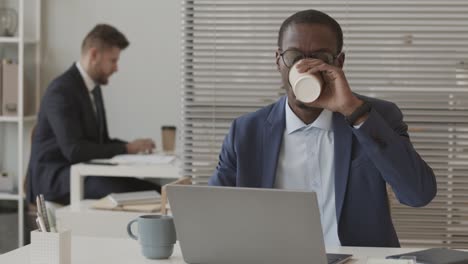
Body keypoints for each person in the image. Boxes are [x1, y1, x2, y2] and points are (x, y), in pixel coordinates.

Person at [209, 10, 437, 247]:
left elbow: (418, 195)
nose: (305, 68)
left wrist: (355, 113)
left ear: (338, 63)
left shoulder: (376, 117)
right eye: (294, 56)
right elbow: (212, 212)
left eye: (321, 58)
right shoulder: (247, 131)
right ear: (279, 61)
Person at [27, 24, 160, 205]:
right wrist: (127, 149)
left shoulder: (93, 90)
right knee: (151, 193)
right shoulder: (61, 91)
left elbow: (100, 142)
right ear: (94, 55)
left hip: (81, 172)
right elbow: (74, 151)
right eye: (113, 61)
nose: (116, 68)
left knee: (155, 190)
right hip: (56, 179)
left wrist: (132, 146)